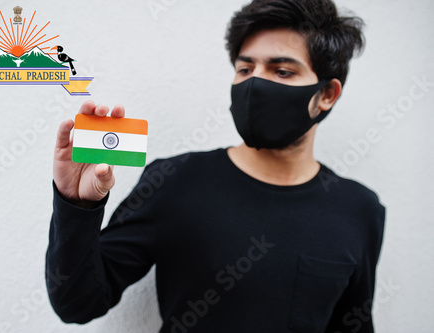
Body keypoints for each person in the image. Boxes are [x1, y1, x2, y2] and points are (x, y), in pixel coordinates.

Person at [46, 0, 385, 332]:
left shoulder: (359, 209)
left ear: (327, 94)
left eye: (282, 70)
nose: (254, 85)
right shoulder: (175, 181)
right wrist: (76, 205)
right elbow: (78, 302)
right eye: (245, 69)